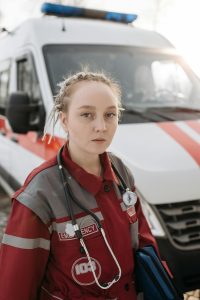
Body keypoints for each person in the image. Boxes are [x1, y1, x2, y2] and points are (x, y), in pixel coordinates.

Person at [0, 70, 168, 300]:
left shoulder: (120, 170)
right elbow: (15, 288)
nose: (101, 126)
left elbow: (145, 243)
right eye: (87, 114)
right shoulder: (39, 194)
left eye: (110, 114)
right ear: (65, 120)